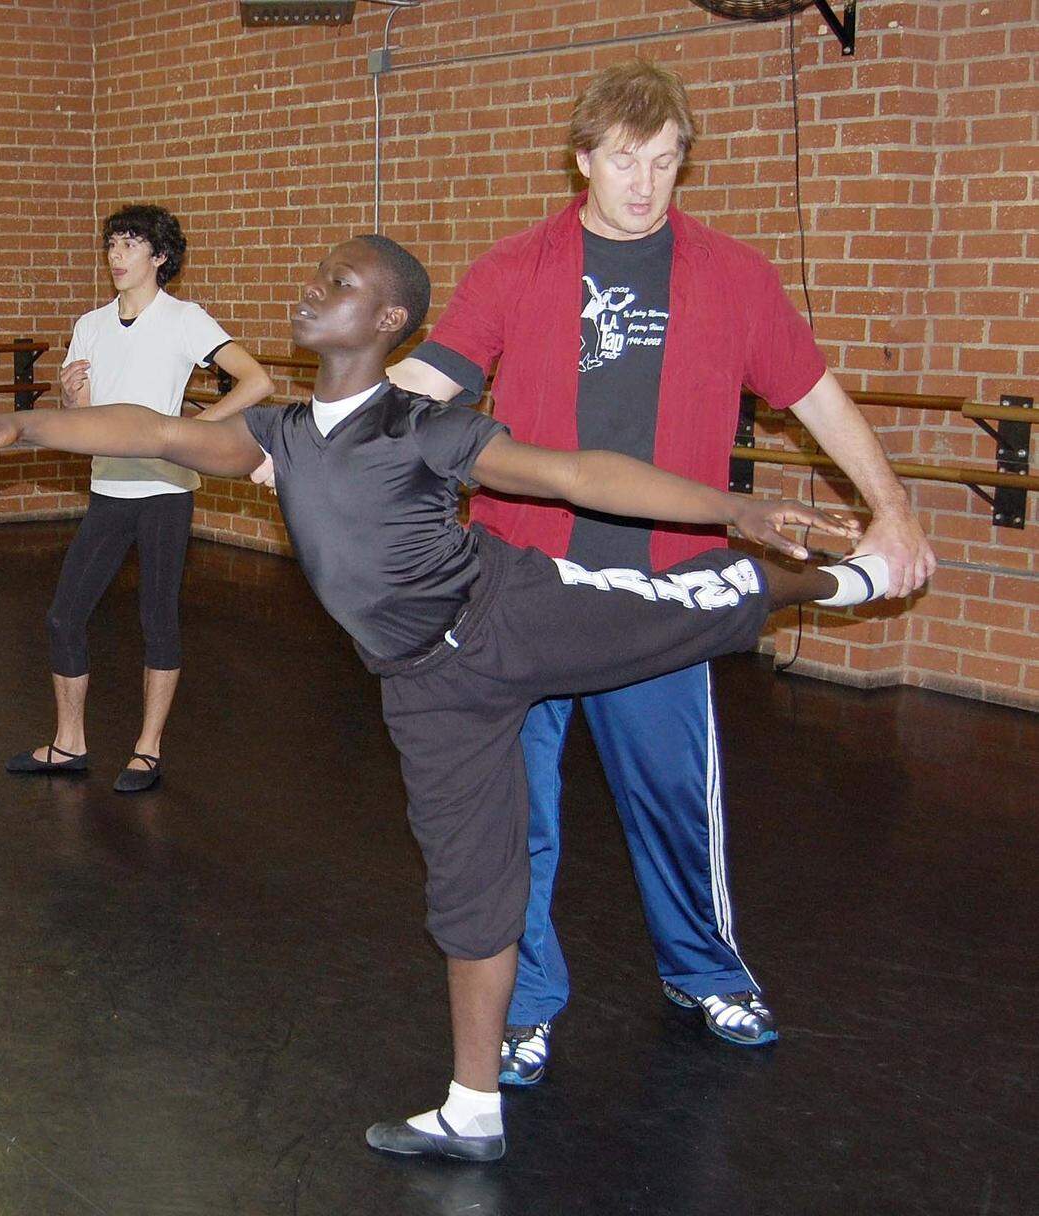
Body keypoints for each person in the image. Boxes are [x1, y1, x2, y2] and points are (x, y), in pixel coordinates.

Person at [0, 234, 899, 1162]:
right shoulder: (280, 437)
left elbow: (572, 473)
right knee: (471, 887)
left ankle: (843, 579)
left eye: (339, 283)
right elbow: (155, 430)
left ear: (390, 321)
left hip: (510, 617)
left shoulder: (422, 427)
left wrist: (739, 506)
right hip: (426, 689)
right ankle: (474, 1110)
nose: (313, 290)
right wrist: (25, 424)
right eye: (318, 276)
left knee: (687, 601)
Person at [389, 60, 937, 1074]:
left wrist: (892, 507)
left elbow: (814, 395)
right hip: (526, 591)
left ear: (685, 161)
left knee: (678, 804)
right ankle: (526, 1003)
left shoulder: (734, 275)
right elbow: (424, 384)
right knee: (520, 816)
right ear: (583, 159)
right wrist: (322, 437)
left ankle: (708, 970)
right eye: (624, 160)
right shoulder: (515, 268)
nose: (643, 183)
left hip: (663, 596)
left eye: (666, 159)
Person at [7, 204, 274, 791]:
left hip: (164, 490)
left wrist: (195, 431)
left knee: (158, 618)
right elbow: (86, 422)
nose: (117, 256)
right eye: (112, 244)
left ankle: (147, 748)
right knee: (63, 616)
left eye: (131, 245)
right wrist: (74, 401)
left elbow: (258, 381)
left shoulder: (185, 319)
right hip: (109, 489)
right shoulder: (91, 325)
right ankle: (68, 743)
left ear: (159, 258)